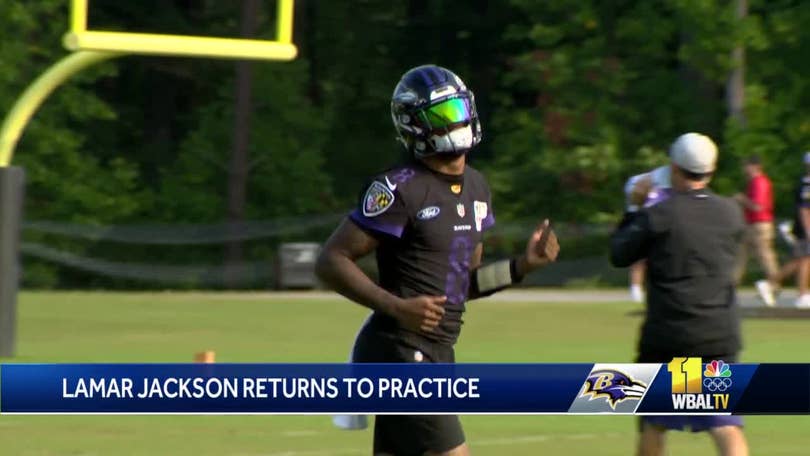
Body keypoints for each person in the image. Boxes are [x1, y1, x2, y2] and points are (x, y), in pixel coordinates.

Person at [316, 64, 560, 456]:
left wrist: (522, 266)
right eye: (445, 115)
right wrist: (397, 306)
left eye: (460, 110)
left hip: (438, 350)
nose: (458, 122)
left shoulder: (478, 186)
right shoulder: (398, 188)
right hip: (400, 349)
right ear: (417, 126)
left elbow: (462, 285)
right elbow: (330, 260)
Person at [610, 133, 749, 456]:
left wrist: (634, 206)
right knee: (725, 423)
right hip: (718, 337)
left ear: (674, 167)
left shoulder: (660, 215)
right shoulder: (731, 213)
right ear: (711, 171)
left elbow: (619, 253)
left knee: (654, 425)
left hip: (669, 338)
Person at [733, 155, 779, 306]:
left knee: (765, 257)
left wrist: (741, 199)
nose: (744, 169)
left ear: (755, 166)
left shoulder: (760, 182)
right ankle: (731, 285)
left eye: (747, 165)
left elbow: (758, 206)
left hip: (760, 225)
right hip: (751, 224)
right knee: (741, 254)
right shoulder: (754, 182)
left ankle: (774, 285)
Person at [623, 166, 672, 303]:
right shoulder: (636, 183)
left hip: (659, 226)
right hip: (643, 224)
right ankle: (636, 289)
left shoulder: (666, 190)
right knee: (639, 260)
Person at [790, 152, 810, 308]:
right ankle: (802, 294)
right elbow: (804, 209)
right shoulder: (806, 184)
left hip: (805, 228)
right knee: (804, 260)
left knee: (802, 261)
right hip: (805, 229)